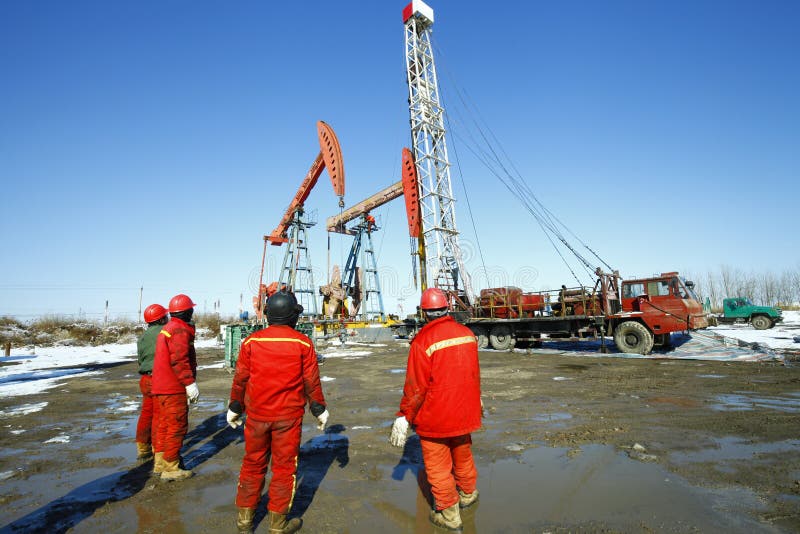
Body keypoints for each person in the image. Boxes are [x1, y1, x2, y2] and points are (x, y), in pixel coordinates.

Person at [227, 291, 329, 534]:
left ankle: (244, 522)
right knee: (284, 469)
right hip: (288, 419)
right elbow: (311, 381)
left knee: (252, 463)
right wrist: (318, 408)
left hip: (257, 417)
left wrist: (235, 406)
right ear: (293, 315)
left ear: (268, 314)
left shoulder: (251, 342)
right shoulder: (303, 343)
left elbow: (241, 378)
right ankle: (278, 524)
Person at [389, 287, 482, 531]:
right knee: (463, 456)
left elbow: (416, 386)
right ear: (446, 309)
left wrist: (404, 415)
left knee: (438, 467)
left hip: (436, 418)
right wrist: (477, 400)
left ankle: (449, 516)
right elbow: (473, 374)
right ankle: (468, 494)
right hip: (464, 412)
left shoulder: (423, 342)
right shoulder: (466, 334)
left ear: (424, 312)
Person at [151, 293, 199, 481]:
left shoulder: (168, 328)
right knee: (177, 426)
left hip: (161, 387)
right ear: (188, 312)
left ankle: (160, 463)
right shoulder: (179, 330)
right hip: (173, 387)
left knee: (164, 425)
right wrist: (189, 383)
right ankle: (171, 468)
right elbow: (179, 360)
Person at [134, 303, 169, 464]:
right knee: (159, 416)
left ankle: (143, 447)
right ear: (161, 318)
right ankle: (158, 450)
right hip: (160, 379)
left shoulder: (143, 337)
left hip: (145, 379)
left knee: (147, 413)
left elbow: (140, 360)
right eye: (165, 316)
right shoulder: (165, 332)